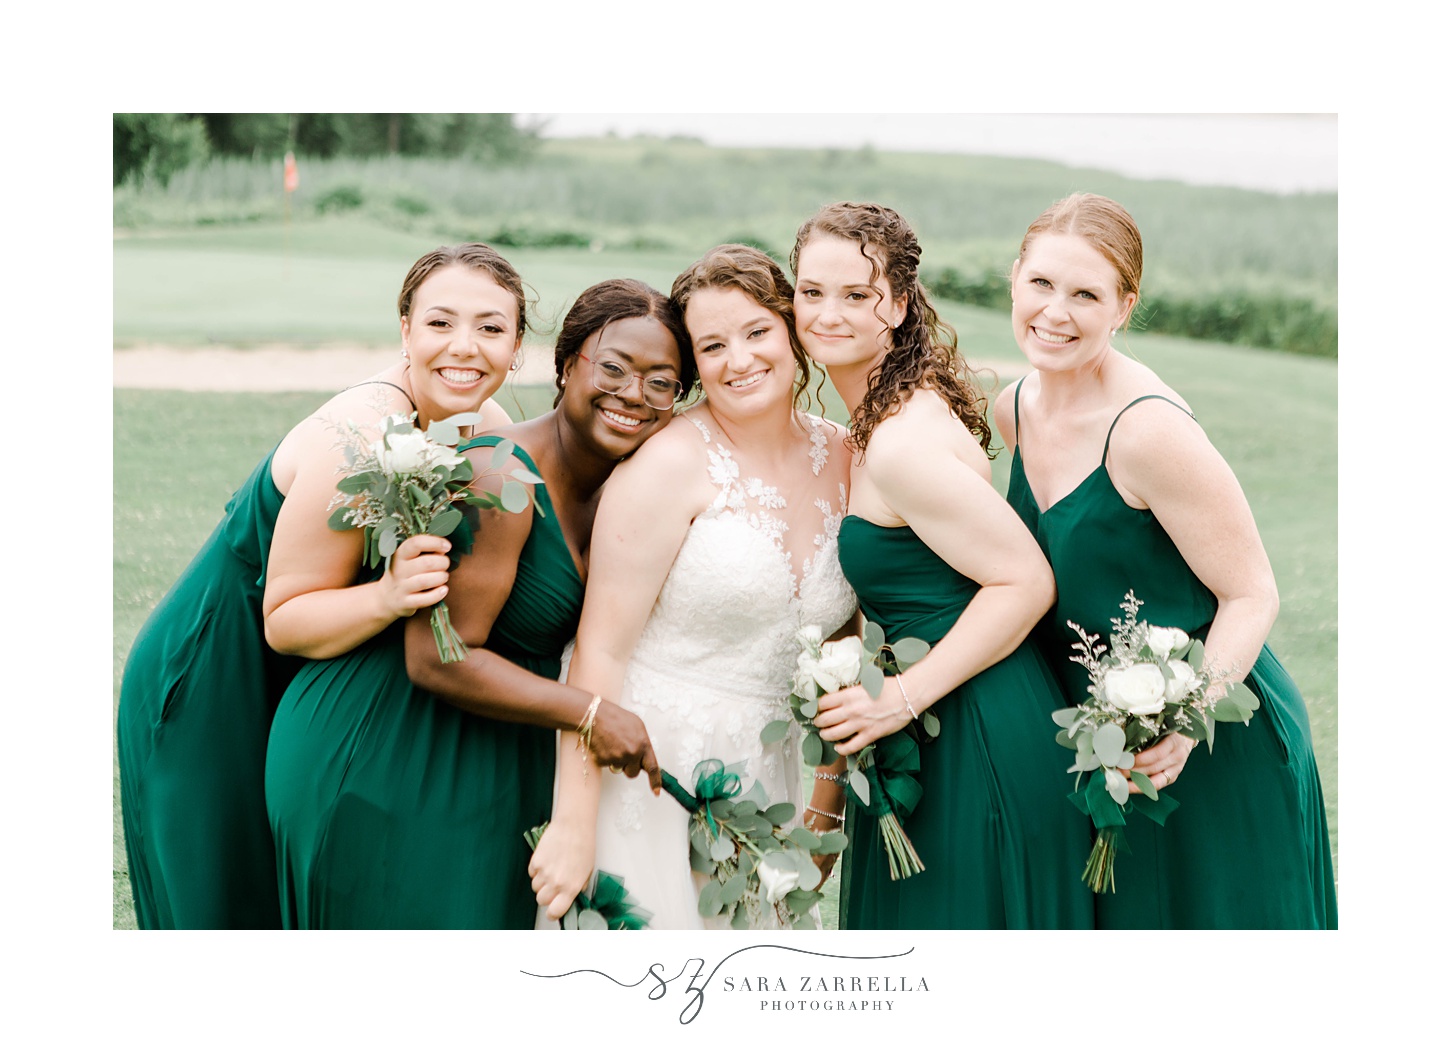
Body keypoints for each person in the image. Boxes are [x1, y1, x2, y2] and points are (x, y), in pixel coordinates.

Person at [116, 242, 522, 929]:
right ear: (404, 330)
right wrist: (388, 596)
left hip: (298, 683)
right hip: (215, 672)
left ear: (516, 346)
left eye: (490, 327)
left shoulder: (486, 424)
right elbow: (285, 616)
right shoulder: (358, 442)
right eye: (439, 323)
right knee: (225, 908)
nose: (465, 347)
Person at [264, 278, 689, 928]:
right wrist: (593, 713)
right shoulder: (496, 470)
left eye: (660, 382)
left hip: (495, 754)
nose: (632, 394)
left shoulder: (628, 483)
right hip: (388, 747)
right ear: (566, 362)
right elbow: (438, 657)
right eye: (612, 368)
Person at [997, 192, 1337, 928]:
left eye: (1085, 294)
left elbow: (1252, 594)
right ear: (1013, 278)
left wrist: (1186, 723)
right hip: (1103, 748)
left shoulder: (1147, 430)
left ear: (1123, 306)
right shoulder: (1012, 408)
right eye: (1042, 284)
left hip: (1213, 746)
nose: (1055, 311)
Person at [527, 245, 858, 930]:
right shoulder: (667, 463)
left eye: (756, 332)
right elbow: (599, 654)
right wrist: (573, 824)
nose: (738, 360)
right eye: (712, 345)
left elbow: (845, 649)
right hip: (646, 770)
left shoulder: (850, 456)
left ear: (791, 329)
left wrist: (825, 799)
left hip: (769, 777)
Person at [792, 201, 1093, 929]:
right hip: (938, 720)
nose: (827, 313)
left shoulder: (900, 443)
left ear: (896, 305)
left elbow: (1024, 580)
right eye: (810, 292)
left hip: (974, 731)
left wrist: (899, 697)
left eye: (855, 294)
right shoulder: (878, 415)